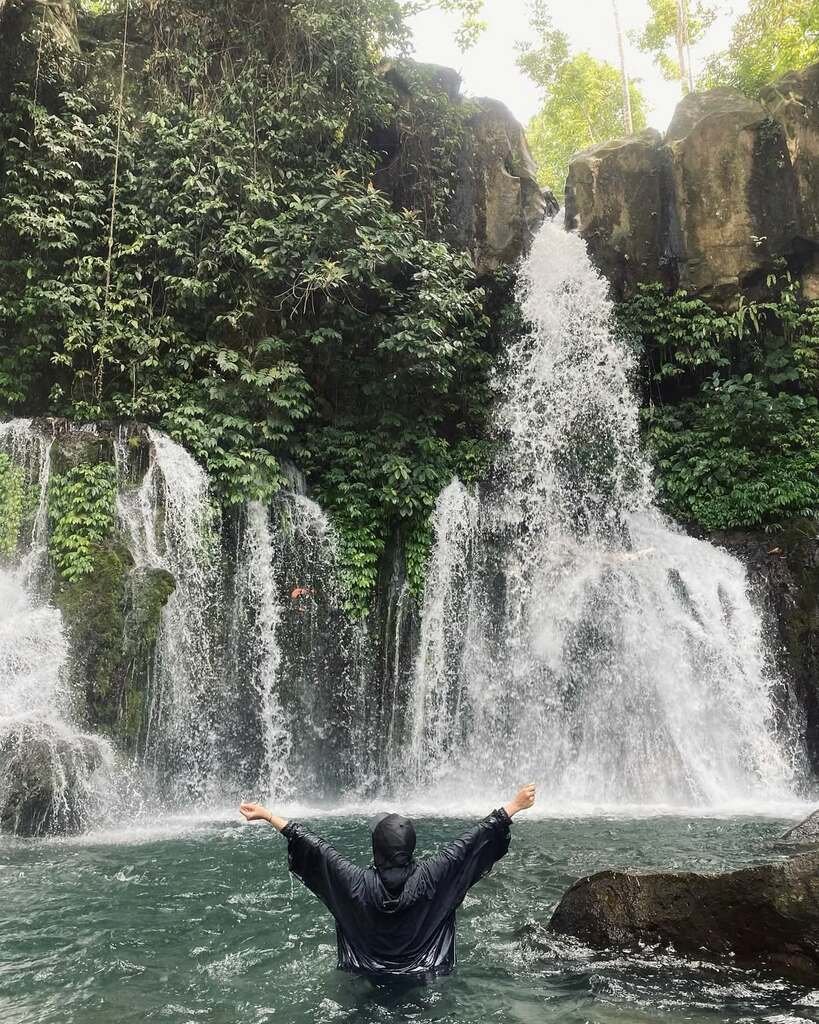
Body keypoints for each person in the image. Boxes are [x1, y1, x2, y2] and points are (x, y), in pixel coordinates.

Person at [239, 783, 536, 980]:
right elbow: (474, 840)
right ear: (410, 847)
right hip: (427, 978)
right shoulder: (434, 875)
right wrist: (514, 805)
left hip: (365, 978)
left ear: (376, 850)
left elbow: (314, 848)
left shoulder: (354, 881)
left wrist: (268, 815)